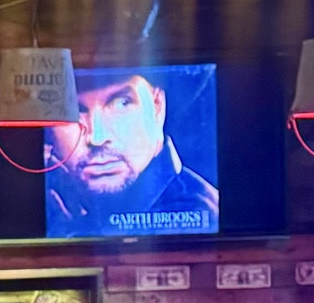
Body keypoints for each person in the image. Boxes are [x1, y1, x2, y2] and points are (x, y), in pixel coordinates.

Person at [44, 67, 218, 237]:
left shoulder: (197, 213)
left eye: (122, 103)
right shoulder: (60, 210)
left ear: (157, 107)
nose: (97, 137)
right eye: (71, 112)